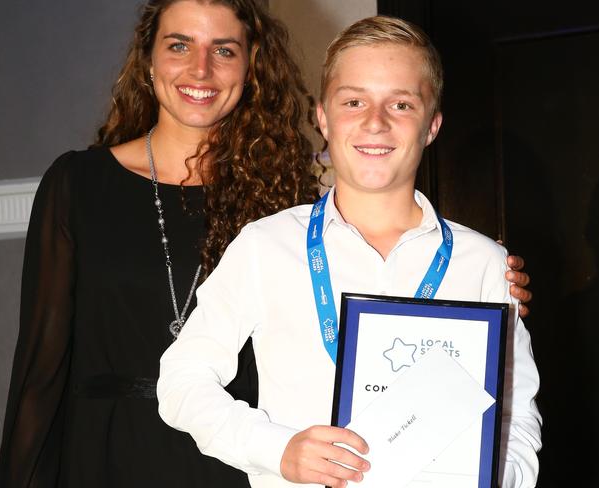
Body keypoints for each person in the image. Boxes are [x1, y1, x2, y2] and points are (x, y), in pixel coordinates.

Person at [157, 15, 542, 488]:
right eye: (354, 101)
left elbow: (517, 417)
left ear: (432, 125)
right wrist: (277, 449)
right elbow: (181, 381)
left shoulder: (483, 264)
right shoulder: (265, 246)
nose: (375, 122)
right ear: (322, 116)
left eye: (401, 104)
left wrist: (487, 477)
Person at [0, 1, 320, 487]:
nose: (200, 69)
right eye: (179, 45)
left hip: (231, 464)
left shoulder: (287, 202)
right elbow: (40, 373)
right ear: (147, 60)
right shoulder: (77, 185)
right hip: (101, 460)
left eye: (224, 50)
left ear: (251, 66)